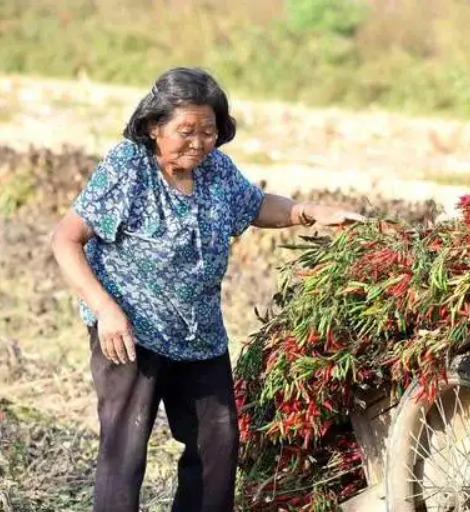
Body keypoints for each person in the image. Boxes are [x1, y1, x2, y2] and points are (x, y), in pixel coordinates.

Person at [50, 67, 365, 512]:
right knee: (127, 448)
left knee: (217, 443)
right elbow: (66, 239)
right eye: (186, 131)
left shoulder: (216, 169)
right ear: (153, 128)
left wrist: (308, 211)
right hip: (129, 331)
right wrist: (106, 310)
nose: (198, 142)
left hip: (199, 334)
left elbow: (256, 206)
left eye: (209, 130)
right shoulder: (129, 168)